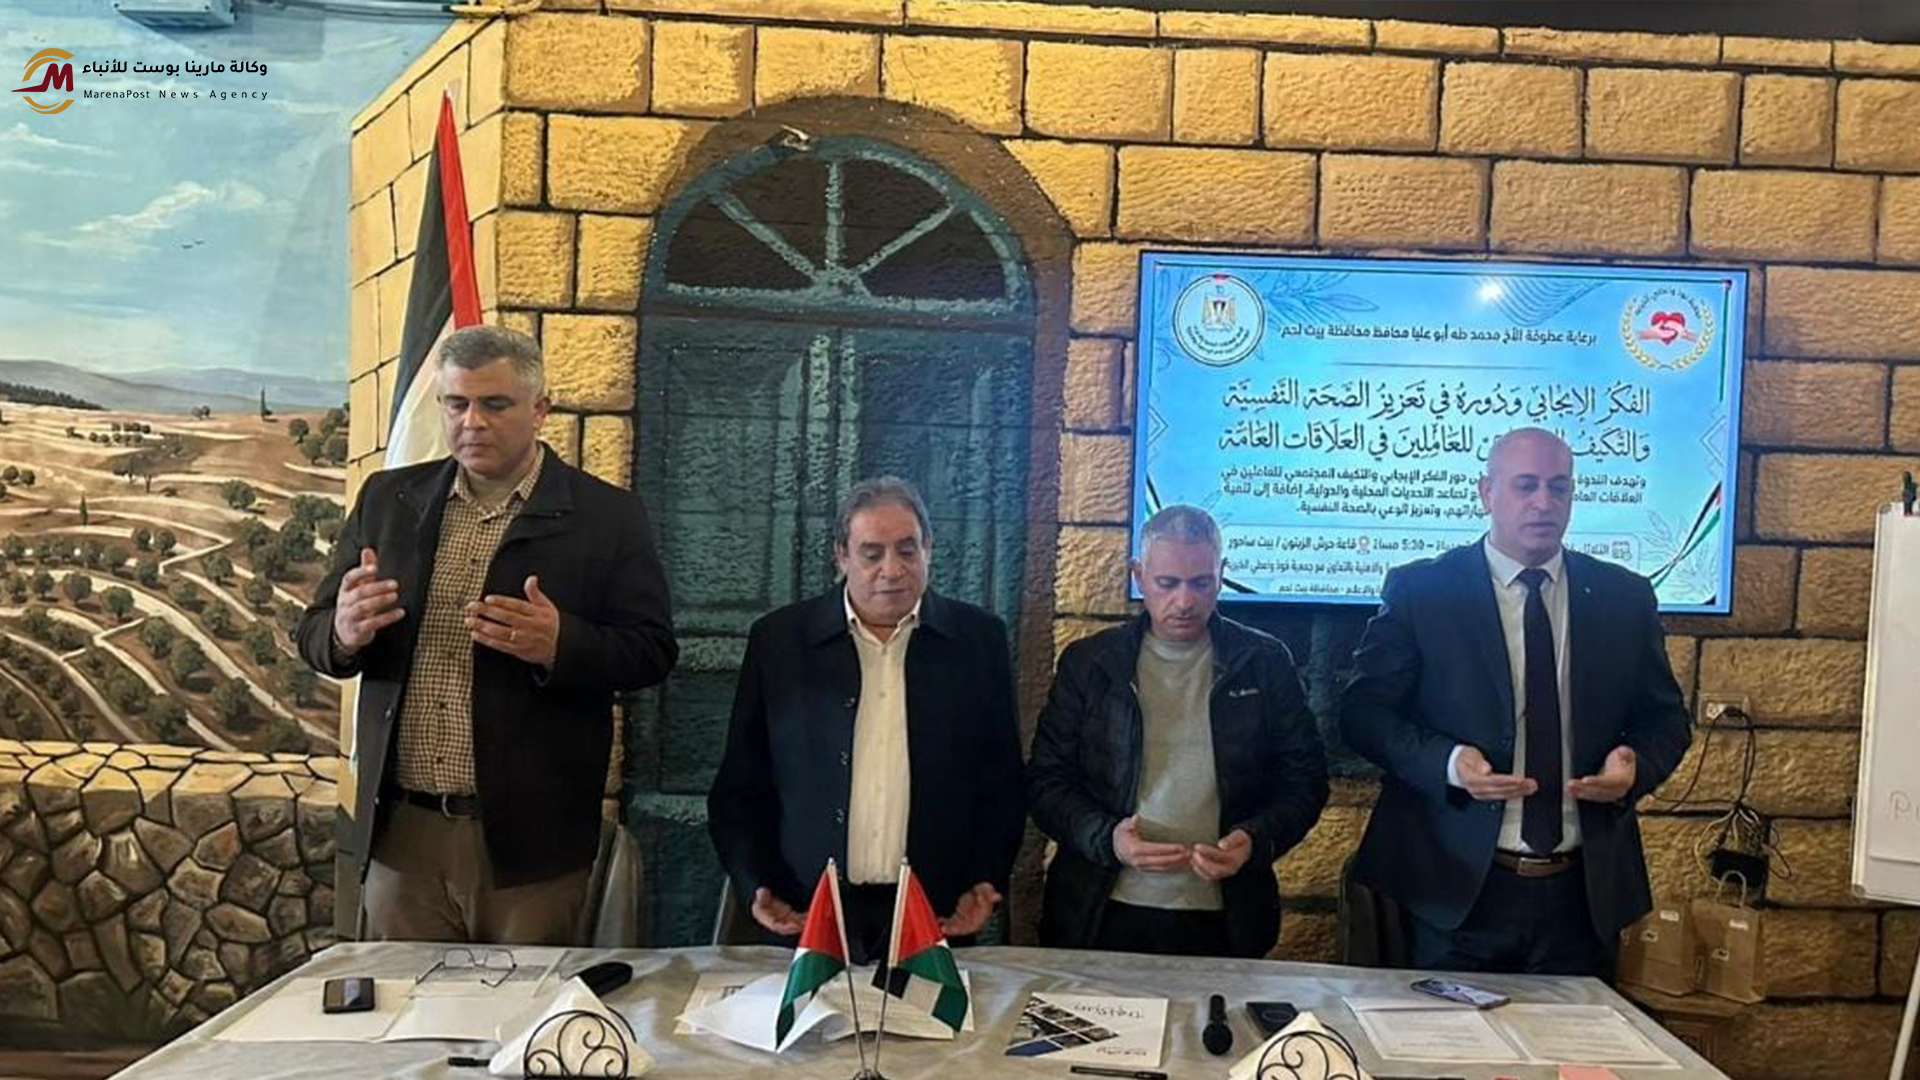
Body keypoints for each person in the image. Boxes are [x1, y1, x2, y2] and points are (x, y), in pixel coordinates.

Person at [298, 325, 677, 944]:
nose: (471, 422)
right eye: (456, 404)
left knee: (524, 1007)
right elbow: (313, 633)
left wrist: (562, 645)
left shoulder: (607, 516)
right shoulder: (389, 500)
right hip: (401, 835)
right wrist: (342, 633)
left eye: (495, 404)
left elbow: (653, 652)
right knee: (403, 1006)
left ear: (540, 409)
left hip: (530, 846)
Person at [1341, 427, 1690, 976]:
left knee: (1578, 1036)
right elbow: (1364, 714)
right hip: (1453, 893)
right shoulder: (1424, 591)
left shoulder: (1623, 597)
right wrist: (1449, 763)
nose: (1543, 503)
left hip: (1583, 896)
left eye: (1558, 487)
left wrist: (1635, 766)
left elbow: (1665, 719)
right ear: (1487, 492)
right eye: (1525, 486)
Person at [707, 476, 1024, 962]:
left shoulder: (978, 641)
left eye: (907, 550)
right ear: (841, 555)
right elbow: (741, 786)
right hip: (806, 910)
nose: (891, 570)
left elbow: (1002, 781)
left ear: (929, 547)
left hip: (935, 912)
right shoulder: (781, 642)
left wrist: (985, 877)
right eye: (872, 554)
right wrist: (755, 882)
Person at [1028, 505, 1329, 958]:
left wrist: (1255, 839)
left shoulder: (1264, 661)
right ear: (1139, 576)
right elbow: (1045, 783)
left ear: (1221, 576)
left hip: (1227, 913)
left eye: (1201, 583)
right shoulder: (1090, 664)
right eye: (1168, 583)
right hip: (1100, 908)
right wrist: (1109, 839)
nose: (1185, 601)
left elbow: (1305, 782)